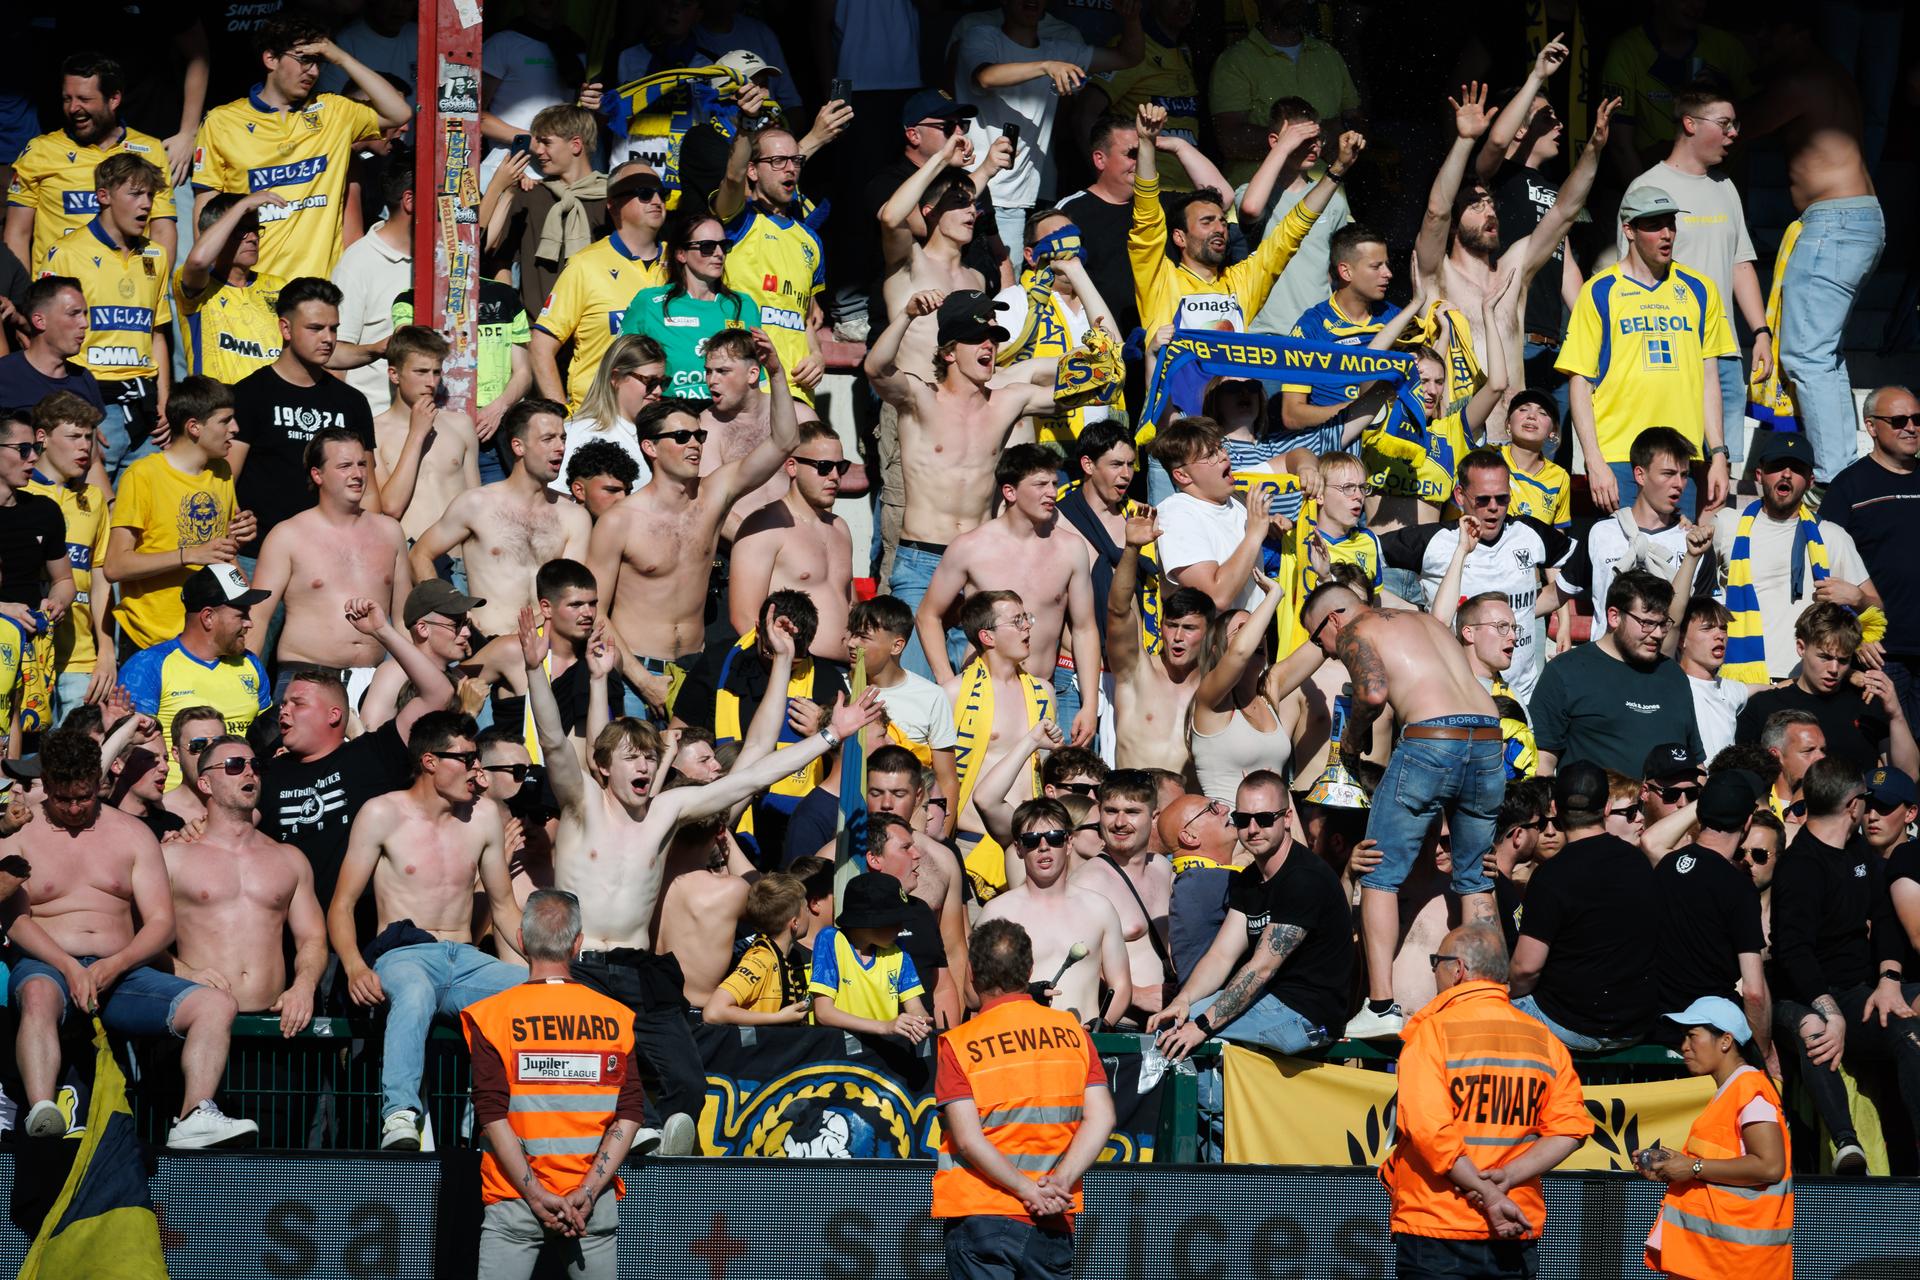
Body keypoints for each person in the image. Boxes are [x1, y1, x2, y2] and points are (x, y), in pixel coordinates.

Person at [525, 603, 881, 1126]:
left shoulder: (667, 809)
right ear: (602, 768)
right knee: (602, 1082)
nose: (644, 765)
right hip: (580, 971)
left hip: (638, 971)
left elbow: (748, 778)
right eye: (630, 758)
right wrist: (537, 671)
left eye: (649, 757)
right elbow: (555, 740)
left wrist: (831, 736)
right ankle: (633, 1138)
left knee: (688, 1087)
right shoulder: (580, 804)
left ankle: (646, 1145)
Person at [0, 728, 255, 1148]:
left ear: (98, 785)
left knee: (215, 1003)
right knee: (39, 997)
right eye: (63, 799)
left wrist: (112, 966)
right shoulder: (22, 832)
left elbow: (160, 923)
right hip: (47, 963)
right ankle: (42, 1106)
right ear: (49, 784)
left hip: (122, 973)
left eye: (84, 797)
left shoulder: (132, 833)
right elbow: (15, 920)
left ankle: (195, 1114)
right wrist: (68, 967)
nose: (75, 808)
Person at [1299, 579, 1504, 1039]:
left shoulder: (1356, 629)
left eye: (1319, 638)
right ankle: (1488, 999)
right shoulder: (1426, 621)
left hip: (1433, 739)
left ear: (1334, 618)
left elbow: (1371, 694)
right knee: (1474, 879)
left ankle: (1382, 1005)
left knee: (1378, 872)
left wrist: (1350, 741)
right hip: (1489, 735)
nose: (1328, 652)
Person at [329, 709, 527, 1151]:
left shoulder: (484, 816)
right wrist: (355, 967)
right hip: (404, 952)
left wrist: (547, 966)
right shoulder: (382, 813)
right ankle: (400, 1113)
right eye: (468, 758)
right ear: (430, 761)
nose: (478, 771)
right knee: (415, 993)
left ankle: (494, 1111)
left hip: (466, 957)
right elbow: (341, 906)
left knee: (533, 992)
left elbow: (503, 907)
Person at [463, 889, 674, 1280]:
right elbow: (629, 1115)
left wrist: (536, 1195)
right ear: (577, 945)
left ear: (522, 941)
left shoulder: (491, 1017)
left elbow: (492, 1115)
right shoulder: (615, 1017)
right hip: (589, 1204)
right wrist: (588, 1192)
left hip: (515, 1200)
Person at [865, 289, 1075, 676]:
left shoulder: (1008, 400)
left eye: (994, 339)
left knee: (978, 689)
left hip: (981, 562)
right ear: (948, 351)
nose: (990, 346)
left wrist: (1100, 363)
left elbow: (1074, 394)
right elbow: (876, 369)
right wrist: (908, 314)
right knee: (915, 684)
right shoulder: (919, 398)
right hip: (922, 561)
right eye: (979, 338)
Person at [1382, 921, 1592, 1278]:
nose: (1434, 971)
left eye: (1436, 961)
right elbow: (1570, 1130)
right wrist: (1505, 1181)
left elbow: (1431, 1132)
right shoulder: (1543, 1040)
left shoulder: (1432, 1032)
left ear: (1458, 970)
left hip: (1438, 1223)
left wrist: (1489, 1194)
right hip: (1514, 1224)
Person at [589, 337, 798, 680]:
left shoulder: (713, 494)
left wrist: (775, 374)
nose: (694, 446)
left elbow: (785, 442)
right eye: (681, 438)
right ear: (650, 448)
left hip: (695, 669)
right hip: (636, 668)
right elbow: (593, 610)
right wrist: (643, 682)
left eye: (698, 437)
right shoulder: (619, 521)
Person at [931, 917, 1114, 1280]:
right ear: (1029, 969)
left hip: (979, 1212)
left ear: (971, 974)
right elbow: (1103, 1118)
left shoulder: (958, 1043)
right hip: (1050, 1216)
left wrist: (1026, 1189)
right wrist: (1058, 1184)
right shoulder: (1074, 1034)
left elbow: (968, 1140)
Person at [1765, 757, 1920, 1176]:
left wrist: (1890, 980)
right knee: (1818, 1032)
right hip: (1804, 996)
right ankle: (1847, 1145)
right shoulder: (1800, 867)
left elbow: (1884, 916)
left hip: (1859, 992)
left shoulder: (1857, 853)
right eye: (1864, 804)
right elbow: (1794, 953)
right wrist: (1830, 1013)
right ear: (1853, 805)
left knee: (1911, 1025)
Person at [1745, 17, 1883, 487]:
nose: (1762, 40)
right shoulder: (1834, 77)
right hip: (1852, 221)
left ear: (1799, 33)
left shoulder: (1803, 80)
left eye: (1770, 31)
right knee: (1825, 354)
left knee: (1807, 356)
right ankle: (1844, 468)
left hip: (1835, 223)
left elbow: (1741, 127)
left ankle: (1834, 479)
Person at [189, 16, 412, 281]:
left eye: (318, 62)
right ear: (271, 59)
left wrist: (340, 57)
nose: (314, 71)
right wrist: (211, 277)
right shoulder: (221, 121)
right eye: (304, 59)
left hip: (317, 291)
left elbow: (399, 112)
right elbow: (206, 206)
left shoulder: (333, 111)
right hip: (251, 286)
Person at [1151, 769, 1354, 1058]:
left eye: (1264, 818)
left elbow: (1262, 968)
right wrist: (1183, 1000)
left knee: (1184, 1032)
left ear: (1287, 819)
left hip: (1306, 1018)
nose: (1253, 828)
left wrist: (1202, 1025)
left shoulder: (1304, 878)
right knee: (1178, 1019)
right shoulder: (1249, 879)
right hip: (1269, 1003)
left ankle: (1208, 1105)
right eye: (1243, 820)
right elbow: (1220, 956)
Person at [1558, 187, 1736, 514]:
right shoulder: (1599, 291)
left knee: (1676, 559)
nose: (1667, 234)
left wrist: (1719, 454)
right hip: (1619, 456)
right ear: (1629, 230)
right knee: (1622, 562)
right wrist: (1594, 462)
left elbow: (1710, 378)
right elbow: (1580, 382)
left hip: (1682, 456)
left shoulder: (1700, 289)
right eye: (1654, 226)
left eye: (1671, 224)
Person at [1624, 85, 1772, 467]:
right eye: (1724, 123)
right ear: (1689, 123)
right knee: (1675, 466)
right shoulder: (1647, 187)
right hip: (1672, 350)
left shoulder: (1725, 187)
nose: (1734, 133)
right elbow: (1631, 275)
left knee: (1726, 466)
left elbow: (1740, 263)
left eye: (1735, 124)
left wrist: (1760, 333)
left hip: (1723, 350)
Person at [915, 444, 1101, 742]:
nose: (1051, 493)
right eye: (1040, 484)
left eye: (1054, 483)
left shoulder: (1070, 549)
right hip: (981, 692)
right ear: (1010, 492)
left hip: (1043, 691)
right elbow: (928, 615)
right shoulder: (971, 547)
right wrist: (948, 683)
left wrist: (1089, 705)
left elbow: (1084, 628)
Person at [1130, 102, 1360, 340]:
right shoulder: (1160, 278)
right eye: (1207, 222)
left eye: (1222, 221)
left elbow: (1292, 231)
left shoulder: (1240, 281)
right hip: (1263, 343)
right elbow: (1147, 217)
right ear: (1179, 236)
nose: (1220, 228)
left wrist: (1338, 169)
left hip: (1305, 346)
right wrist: (1147, 143)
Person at [163, 735, 327, 1037]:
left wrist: (303, 987)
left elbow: (312, 938)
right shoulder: (172, 857)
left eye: (255, 764)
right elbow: (137, 932)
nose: (249, 771)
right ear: (205, 784)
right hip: (198, 1021)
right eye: (234, 765)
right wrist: (185, 973)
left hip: (274, 1025)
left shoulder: (289, 859)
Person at [1379, 449, 1570, 703]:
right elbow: (1358, 555)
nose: (1493, 508)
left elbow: (1582, 564)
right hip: (1453, 694)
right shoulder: (1433, 540)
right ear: (1460, 495)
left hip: (1520, 699)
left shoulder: (1528, 532)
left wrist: (1540, 604)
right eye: (1483, 499)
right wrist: (1406, 614)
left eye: (1502, 499)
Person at [952, 0, 1142, 252]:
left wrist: (1131, 19)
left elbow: (1129, 57)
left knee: (1017, 281)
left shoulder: (1058, 50)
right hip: (974, 188)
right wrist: (1046, 66)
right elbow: (986, 77)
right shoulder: (981, 35)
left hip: (1024, 194)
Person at [1635, 996, 1793, 1280]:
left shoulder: (1749, 1089)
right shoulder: (1735, 1090)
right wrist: (1674, 1166)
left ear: (1725, 1041)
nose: (1684, 1046)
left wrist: (1692, 1168)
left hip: (1735, 1265)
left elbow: (1770, 1166)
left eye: (1692, 1036)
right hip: (1711, 1259)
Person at [247, 429, 410, 704]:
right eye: (345, 466)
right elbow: (257, 618)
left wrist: (408, 677)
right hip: (307, 678)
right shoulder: (288, 535)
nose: (357, 474)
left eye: (362, 464)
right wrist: (247, 689)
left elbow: (404, 619)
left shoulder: (390, 532)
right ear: (317, 474)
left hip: (375, 683)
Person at [408, 398, 591, 642]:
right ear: (518, 446)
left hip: (545, 645)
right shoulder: (476, 504)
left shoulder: (574, 516)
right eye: (548, 439)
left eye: (563, 438)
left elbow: (570, 594)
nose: (560, 447)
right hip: (485, 641)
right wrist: (451, 614)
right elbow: (419, 554)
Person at [228, 277, 378, 571]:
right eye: (315, 328)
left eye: (333, 328)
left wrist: (363, 551)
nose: (328, 338)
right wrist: (232, 552)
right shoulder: (248, 394)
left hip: (333, 561)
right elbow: (223, 483)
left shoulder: (352, 402)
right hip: (257, 558)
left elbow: (369, 491)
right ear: (285, 328)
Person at [1507, 763, 1659, 1051]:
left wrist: (1509, 992)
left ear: (1555, 807)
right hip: (1633, 1027)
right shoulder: (1639, 863)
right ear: (1605, 808)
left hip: (1567, 1026)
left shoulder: (1551, 875)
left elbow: (1526, 968)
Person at [44, 151, 171, 479]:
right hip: (91, 401)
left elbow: (157, 332)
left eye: (150, 195)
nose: (146, 204)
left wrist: (164, 401)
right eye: (135, 194)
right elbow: (44, 340)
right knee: (94, 507)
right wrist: (71, 412)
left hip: (146, 406)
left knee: (140, 515)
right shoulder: (67, 253)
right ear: (104, 196)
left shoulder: (155, 255)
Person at [104, 375, 252, 652]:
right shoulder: (143, 475)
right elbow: (114, 566)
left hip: (207, 640)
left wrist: (240, 538)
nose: (235, 429)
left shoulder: (221, 472)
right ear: (194, 427)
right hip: (150, 641)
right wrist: (189, 554)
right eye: (225, 421)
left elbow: (222, 552)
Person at [1711, 432, 1873, 682]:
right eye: (1777, 467)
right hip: (1738, 680)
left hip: (1806, 683)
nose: (1786, 474)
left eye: (1796, 469)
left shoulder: (1832, 536)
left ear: (1810, 481)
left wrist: (1858, 598)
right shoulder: (1727, 524)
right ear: (1759, 475)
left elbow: (1877, 607)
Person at [972, 789, 1131, 1028]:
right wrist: (1025, 995)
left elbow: (1120, 984)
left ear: (1068, 843)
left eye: (1054, 837)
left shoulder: (1099, 908)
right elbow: (972, 993)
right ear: (1018, 848)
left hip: (1083, 1044)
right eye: (1032, 840)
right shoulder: (997, 912)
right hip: (1021, 1043)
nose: (1044, 847)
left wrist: (1104, 1024)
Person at [4, 53, 180, 268]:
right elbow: (17, 234)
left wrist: (150, 288)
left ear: (114, 99)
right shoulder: (39, 150)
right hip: (59, 294)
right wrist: (27, 298)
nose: (73, 108)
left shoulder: (150, 150)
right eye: (67, 99)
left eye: (84, 99)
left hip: (124, 292)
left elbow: (162, 229)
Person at [1652, 769, 1775, 1070]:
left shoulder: (1667, 865)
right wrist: (1765, 1055)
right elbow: (1754, 991)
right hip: (1712, 1037)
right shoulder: (1739, 888)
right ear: (1747, 823)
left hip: (1660, 1026)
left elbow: (1651, 841)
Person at [1531, 570, 1704, 777]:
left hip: (1670, 807)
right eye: (1647, 623)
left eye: (1663, 624)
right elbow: (1543, 764)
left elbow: (1696, 762)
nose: (1658, 634)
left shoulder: (1673, 675)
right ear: (1614, 617)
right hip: (1598, 808)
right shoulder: (1564, 672)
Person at [119, 564, 272, 789]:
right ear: (208, 617)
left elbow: (266, 739)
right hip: (171, 809)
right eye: (241, 615)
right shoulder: (149, 666)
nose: (249, 623)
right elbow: (129, 748)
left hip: (239, 802)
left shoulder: (251, 664)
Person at [530, 164, 668, 412]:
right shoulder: (585, 265)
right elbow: (541, 346)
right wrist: (563, 418)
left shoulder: (680, 262)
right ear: (613, 204)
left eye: (662, 193)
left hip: (662, 422)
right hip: (597, 418)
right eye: (644, 193)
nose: (657, 200)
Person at [1822, 387, 1920, 728]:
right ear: (1871, 426)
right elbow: (1825, 568)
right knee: (1889, 753)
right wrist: (1857, 631)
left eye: (1917, 419)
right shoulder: (1848, 487)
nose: (1911, 426)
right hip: (1880, 652)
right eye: (1898, 420)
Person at [1557, 426, 1716, 637]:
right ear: (1640, 475)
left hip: (1665, 665)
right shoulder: (1601, 533)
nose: (1679, 484)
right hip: (1606, 665)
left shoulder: (1695, 543)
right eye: (1668, 474)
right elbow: (1557, 594)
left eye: (1684, 475)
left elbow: (1704, 622)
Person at [711, 112, 826, 402]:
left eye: (795, 161)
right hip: (747, 387)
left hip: (797, 389)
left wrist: (817, 354)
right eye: (777, 161)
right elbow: (732, 177)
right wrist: (747, 125)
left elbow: (803, 318)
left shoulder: (810, 240)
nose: (790, 169)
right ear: (753, 171)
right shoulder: (737, 222)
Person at [1736, 603, 1917, 777]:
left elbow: (1908, 774)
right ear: (1801, 648)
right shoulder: (1764, 706)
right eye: (1824, 657)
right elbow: (1746, 780)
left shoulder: (1867, 701)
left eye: (1843, 660)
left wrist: (1896, 715)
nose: (1834, 669)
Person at [728, 420, 854, 663]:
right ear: (792, 466)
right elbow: (744, 616)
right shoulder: (765, 526)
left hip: (845, 673)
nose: (835, 476)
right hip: (793, 671)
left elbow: (850, 605)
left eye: (841, 467)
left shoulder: (840, 527)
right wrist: (782, 668)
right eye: (824, 467)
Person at [26, 393, 113, 724]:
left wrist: (105, 652)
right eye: (74, 436)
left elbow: (101, 579)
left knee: (76, 764)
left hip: (80, 660)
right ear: (42, 438)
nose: (84, 447)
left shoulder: (93, 498)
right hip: (30, 653)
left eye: (89, 437)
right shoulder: (20, 494)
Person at [1208, 0, 1361, 187]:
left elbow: (1357, 124)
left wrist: (1343, 130)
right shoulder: (1235, 61)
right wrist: (1316, 135)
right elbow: (1230, 141)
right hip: (1259, 204)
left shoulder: (1328, 56)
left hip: (1328, 202)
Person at [698, 327, 829, 542]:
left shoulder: (801, 415)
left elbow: (821, 484)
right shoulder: (707, 425)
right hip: (737, 545)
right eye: (708, 371)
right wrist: (758, 547)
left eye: (722, 371)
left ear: (753, 374)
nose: (711, 380)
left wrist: (804, 540)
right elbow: (710, 502)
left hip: (799, 541)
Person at [1106, 510, 1212, 772]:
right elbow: (1118, 612)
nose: (1177, 637)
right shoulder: (1137, 671)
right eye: (1171, 626)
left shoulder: (1215, 685)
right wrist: (1132, 549)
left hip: (1187, 808)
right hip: (1133, 804)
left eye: (1188, 628)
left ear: (1209, 633)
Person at [1151, 419, 1292, 614]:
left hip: (1253, 639)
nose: (1223, 456)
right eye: (1210, 455)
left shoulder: (1234, 491)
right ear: (1182, 476)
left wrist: (1308, 471)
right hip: (1214, 644)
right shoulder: (1176, 515)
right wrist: (1254, 534)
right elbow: (1215, 597)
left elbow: (1294, 458)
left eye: (1221, 448)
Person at [621, 210, 761, 402]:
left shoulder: (744, 306)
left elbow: (757, 379)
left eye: (724, 245)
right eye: (707, 247)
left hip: (729, 419)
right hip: (670, 416)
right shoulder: (649, 303)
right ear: (681, 254)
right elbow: (622, 366)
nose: (719, 253)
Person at [489, 104, 608, 324]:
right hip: (538, 329)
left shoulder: (611, 199)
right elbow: (500, 259)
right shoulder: (530, 195)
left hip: (597, 330)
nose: (539, 151)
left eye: (546, 142)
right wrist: (511, 316)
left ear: (575, 145)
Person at [845, 600, 961, 818]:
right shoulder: (840, 687)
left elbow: (946, 779)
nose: (852, 643)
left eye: (863, 637)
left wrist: (941, 837)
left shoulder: (931, 696)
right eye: (851, 634)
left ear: (897, 646)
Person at [369, 325, 483, 546]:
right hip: (406, 557)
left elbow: (476, 504)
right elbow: (391, 507)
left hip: (458, 562)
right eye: (421, 372)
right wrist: (417, 434)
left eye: (437, 372)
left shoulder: (461, 426)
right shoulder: (374, 432)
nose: (431, 382)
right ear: (394, 374)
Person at [173, 191, 289, 389]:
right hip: (219, 408)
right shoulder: (198, 284)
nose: (252, 238)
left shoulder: (280, 286)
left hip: (272, 404)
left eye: (254, 229)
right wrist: (242, 206)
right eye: (240, 230)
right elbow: (199, 260)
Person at [330, 162, 413, 415]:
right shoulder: (358, 262)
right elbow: (334, 355)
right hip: (374, 418)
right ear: (409, 200)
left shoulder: (442, 257)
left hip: (432, 419)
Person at [702, 874, 812, 1027]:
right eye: (806, 909)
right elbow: (714, 1012)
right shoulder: (759, 960)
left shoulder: (781, 957)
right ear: (794, 923)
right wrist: (778, 1017)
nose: (810, 914)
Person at [0, 277, 103, 416]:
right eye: (73, 314)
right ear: (40, 321)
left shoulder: (84, 379)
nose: (85, 323)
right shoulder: (4, 375)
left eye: (84, 314)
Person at [1675, 598, 1748, 761]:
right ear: (1681, 639)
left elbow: (1773, 688)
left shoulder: (1730, 689)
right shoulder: (1671, 685)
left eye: (1724, 628)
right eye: (1707, 628)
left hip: (1724, 784)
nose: (1720, 635)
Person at [159, 704, 229, 825]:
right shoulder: (160, 810)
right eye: (198, 745)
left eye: (218, 743)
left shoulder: (243, 807)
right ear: (176, 754)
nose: (210, 753)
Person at [565, 440, 640, 522]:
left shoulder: (636, 529)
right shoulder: (556, 531)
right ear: (579, 490)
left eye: (628, 492)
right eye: (612, 490)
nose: (623, 498)